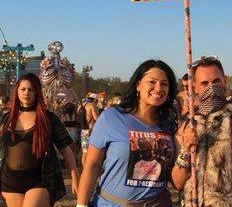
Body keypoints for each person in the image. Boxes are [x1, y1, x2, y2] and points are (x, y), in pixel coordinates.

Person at [172, 56, 232, 207]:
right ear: (195, 86)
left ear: (225, 80)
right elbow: (177, 183)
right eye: (204, 83)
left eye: (216, 81)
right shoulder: (186, 124)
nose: (211, 87)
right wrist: (186, 149)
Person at [77, 59, 178, 207]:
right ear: (138, 85)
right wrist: (81, 205)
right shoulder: (111, 117)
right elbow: (92, 165)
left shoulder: (170, 125)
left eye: (164, 84)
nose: (158, 88)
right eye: (152, 82)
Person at [0, 73, 79, 207]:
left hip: (39, 180)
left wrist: (75, 175)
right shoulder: (6, 119)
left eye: (31, 90)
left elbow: (66, 149)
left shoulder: (49, 118)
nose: (26, 93)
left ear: (37, 93)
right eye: (23, 89)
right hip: (9, 181)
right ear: (17, 91)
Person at [79, 93, 99, 167]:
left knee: (84, 152)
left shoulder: (80, 106)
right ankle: (90, 168)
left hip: (83, 131)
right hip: (91, 131)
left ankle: (85, 169)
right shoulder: (92, 106)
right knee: (92, 151)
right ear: (95, 100)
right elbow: (96, 118)